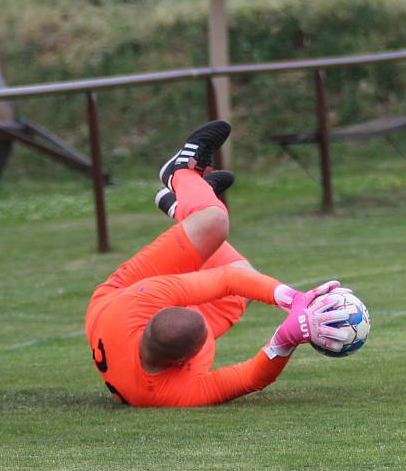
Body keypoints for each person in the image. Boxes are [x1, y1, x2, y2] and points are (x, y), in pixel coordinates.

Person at [84, 121, 354, 407]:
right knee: (246, 281)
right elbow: (252, 377)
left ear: (155, 314)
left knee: (211, 224)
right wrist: (286, 337)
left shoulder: (142, 299)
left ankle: (182, 172)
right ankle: (185, 203)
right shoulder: (173, 393)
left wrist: (293, 300)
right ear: (183, 360)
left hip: (115, 297)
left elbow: (226, 279)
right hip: (120, 324)